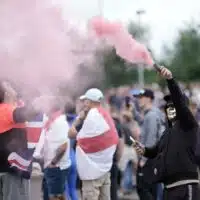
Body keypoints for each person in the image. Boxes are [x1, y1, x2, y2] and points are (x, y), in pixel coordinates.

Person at [133, 66, 200, 200]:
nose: (170, 107)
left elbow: (180, 104)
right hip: (168, 188)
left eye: (172, 104)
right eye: (167, 105)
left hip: (185, 187)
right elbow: (156, 150)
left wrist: (170, 80)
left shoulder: (188, 125)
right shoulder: (167, 131)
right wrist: (144, 150)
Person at [68, 88, 119, 200]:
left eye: (84, 101)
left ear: (88, 101)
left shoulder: (92, 116)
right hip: (105, 169)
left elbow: (73, 135)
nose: (83, 104)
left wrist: (78, 120)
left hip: (91, 172)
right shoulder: (104, 114)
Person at [0, 80, 42, 200]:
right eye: (9, 86)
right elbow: (27, 113)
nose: (13, 88)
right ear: (6, 94)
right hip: (12, 170)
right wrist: (41, 102)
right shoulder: (6, 110)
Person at [33, 96, 71, 200]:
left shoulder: (59, 122)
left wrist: (53, 163)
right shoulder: (52, 121)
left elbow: (64, 146)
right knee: (57, 195)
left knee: (55, 196)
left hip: (56, 167)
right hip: (53, 166)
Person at [134, 88, 164, 200]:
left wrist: (143, 159)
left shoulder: (151, 116)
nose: (139, 100)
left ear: (149, 99)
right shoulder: (153, 113)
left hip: (149, 160)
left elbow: (151, 139)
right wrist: (133, 113)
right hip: (154, 158)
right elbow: (143, 122)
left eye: (142, 97)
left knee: (144, 190)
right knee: (154, 191)